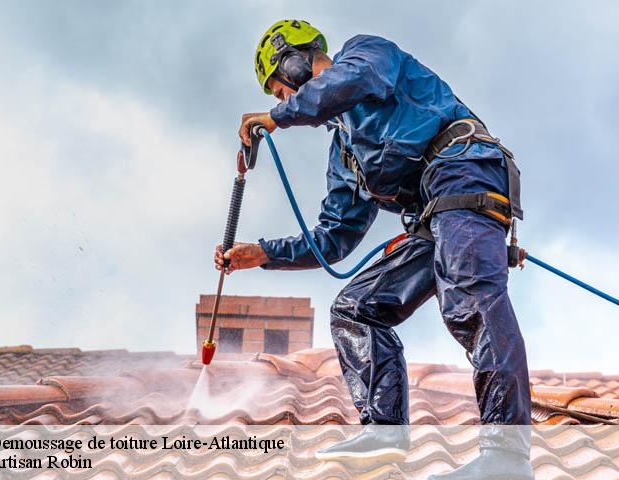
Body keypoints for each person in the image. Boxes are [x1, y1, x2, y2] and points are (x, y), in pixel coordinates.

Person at [214, 19, 533, 479]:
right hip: (432, 214)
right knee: (355, 308)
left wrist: (278, 118)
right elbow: (334, 237)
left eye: (280, 89)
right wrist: (261, 253)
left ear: (298, 60)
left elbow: (354, 81)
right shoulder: (345, 151)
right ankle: (384, 432)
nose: (282, 101)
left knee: (470, 298)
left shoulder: (365, 55)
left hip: (465, 174)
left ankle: (506, 459)